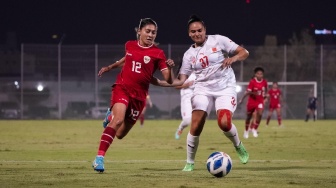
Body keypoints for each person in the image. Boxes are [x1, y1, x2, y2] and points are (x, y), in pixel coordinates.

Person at [153, 15, 249, 171]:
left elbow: (244, 52)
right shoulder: (188, 55)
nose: (197, 33)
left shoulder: (218, 40)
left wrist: (234, 58)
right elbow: (179, 81)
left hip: (225, 87)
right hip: (202, 89)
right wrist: (161, 78)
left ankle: (238, 145)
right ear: (189, 34)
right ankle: (190, 162)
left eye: (199, 30)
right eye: (193, 31)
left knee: (224, 123)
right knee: (196, 125)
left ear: (205, 30)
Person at [92, 18, 174, 173]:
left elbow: (168, 79)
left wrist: (169, 70)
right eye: (147, 31)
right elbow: (127, 59)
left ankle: (109, 117)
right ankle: (99, 158)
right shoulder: (129, 45)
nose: (150, 35)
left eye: (153, 32)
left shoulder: (158, 54)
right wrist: (110, 67)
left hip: (139, 97)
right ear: (139, 31)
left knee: (121, 134)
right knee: (118, 120)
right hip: (122, 88)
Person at [239, 67, 267, 139]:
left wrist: (265, 97)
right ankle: (246, 131)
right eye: (258, 74)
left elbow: (265, 90)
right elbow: (248, 92)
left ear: (262, 75)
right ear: (255, 74)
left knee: (260, 114)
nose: (259, 75)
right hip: (251, 101)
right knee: (249, 117)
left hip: (259, 101)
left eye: (261, 74)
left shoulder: (264, 82)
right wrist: (241, 99)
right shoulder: (252, 82)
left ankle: (255, 129)